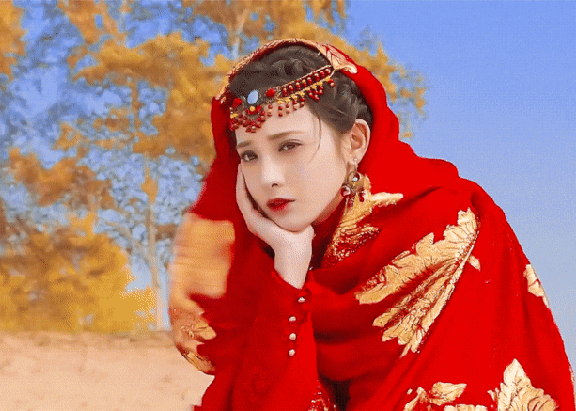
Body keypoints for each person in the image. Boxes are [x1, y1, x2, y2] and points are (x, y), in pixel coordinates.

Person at [168, 39, 575, 411]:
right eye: (250, 156)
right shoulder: (261, 264)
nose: (268, 177)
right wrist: (289, 269)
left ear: (355, 142)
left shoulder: (447, 224)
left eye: (289, 146)